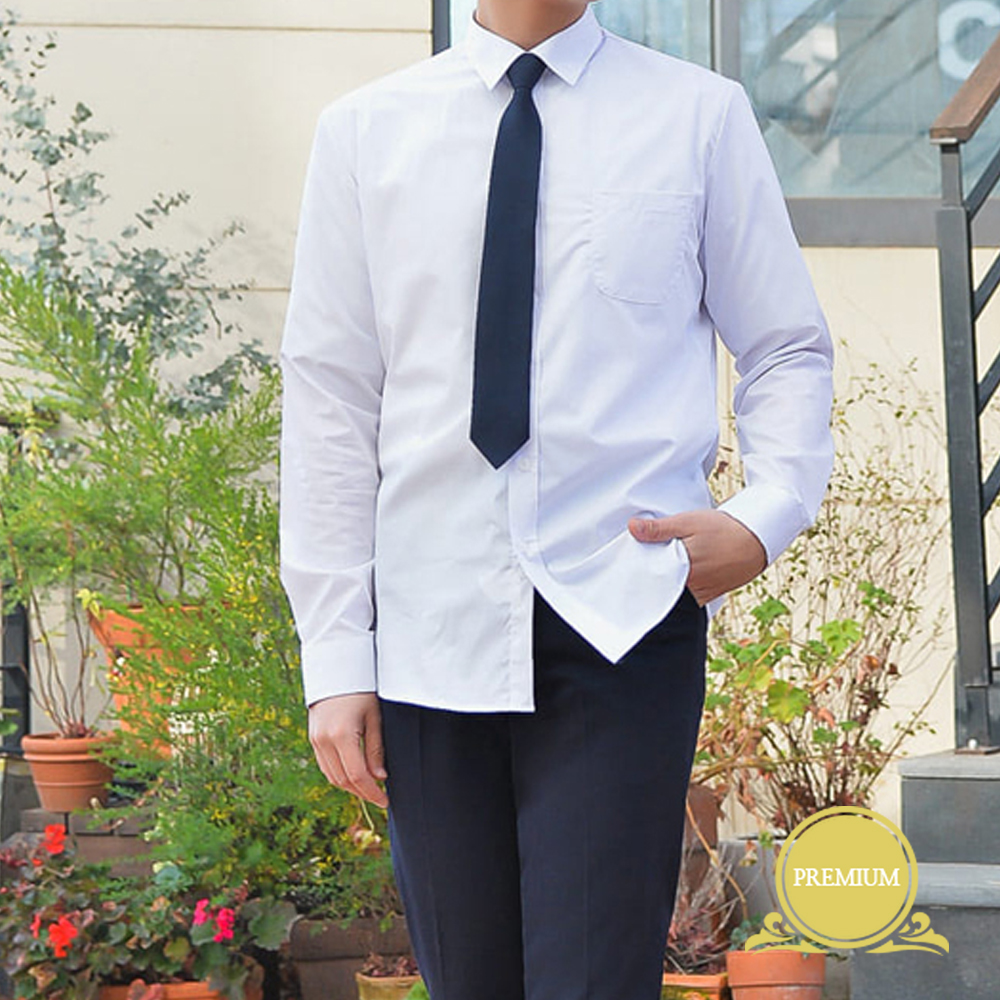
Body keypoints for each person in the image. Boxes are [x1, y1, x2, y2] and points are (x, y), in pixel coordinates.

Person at [278, 2, 834, 999]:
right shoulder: (364, 132)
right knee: (469, 980)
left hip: (622, 614)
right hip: (428, 627)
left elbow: (785, 344)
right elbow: (331, 397)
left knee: (593, 979)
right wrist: (334, 650)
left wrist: (765, 515)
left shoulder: (697, 116)